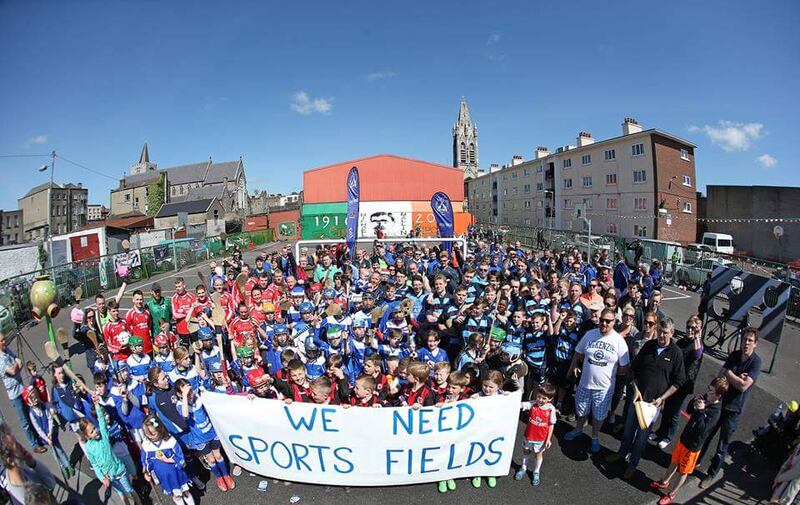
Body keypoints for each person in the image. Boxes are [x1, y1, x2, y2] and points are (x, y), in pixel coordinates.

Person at [607, 318, 685, 479]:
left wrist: (662, 398)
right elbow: (633, 369)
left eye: (665, 332)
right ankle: (621, 453)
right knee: (628, 431)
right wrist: (635, 389)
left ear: (672, 333)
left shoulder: (676, 353)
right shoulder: (649, 346)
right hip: (637, 400)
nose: (661, 335)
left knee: (641, 438)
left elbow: (679, 381)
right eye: (660, 331)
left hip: (652, 406)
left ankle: (632, 464)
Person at [699, 327, 762, 488]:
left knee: (722, 445)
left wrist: (730, 374)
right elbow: (721, 374)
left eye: (750, 341)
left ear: (755, 344)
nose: (746, 343)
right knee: (707, 434)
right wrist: (736, 377)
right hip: (721, 403)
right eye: (744, 339)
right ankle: (695, 462)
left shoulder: (756, 363)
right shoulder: (734, 355)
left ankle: (711, 474)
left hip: (734, 410)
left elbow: (743, 386)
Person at [650, 377, 729, 505]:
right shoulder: (705, 398)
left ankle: (672, 494)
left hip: (693, 446)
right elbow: (689, 410)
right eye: (709, 389)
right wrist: (693, 402)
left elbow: (703, 429)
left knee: (683, 471)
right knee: (674, 461)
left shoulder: (716, 412)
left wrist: (701, 411)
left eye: (711, 392)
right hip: (684, 438)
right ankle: (664, 482)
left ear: (719, 396)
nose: (707, 393)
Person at [564, 308, 630, 454]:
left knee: (598, 416)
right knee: (581, 411)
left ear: (614, 322)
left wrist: (611, 376)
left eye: (608, 321)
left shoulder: (619, 341)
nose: (604, 323)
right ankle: (578, 429)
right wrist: (575, 365)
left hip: (604, 388)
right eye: (602, 320)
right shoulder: (590, 334)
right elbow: (579, 352)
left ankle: (594, 437)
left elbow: (624, 366)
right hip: (585, 383)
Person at [78, 396, 141, 505]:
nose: (95, 431)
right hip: (110, 477)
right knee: (121, 494)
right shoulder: (89, 447)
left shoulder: (104, 436)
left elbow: (101, 421)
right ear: (87, 436)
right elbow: (95, 464)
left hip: (119, 471)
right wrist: (102, 478)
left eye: (94, 428)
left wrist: (96, 404)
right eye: (91, 432)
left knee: (129, 490)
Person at [0, 333, 44, 452]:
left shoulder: (8, 351)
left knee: (32, 414)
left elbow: (19, 362)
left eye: (4, 339)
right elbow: (13, 370)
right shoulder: (1, 359)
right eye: (2, 341)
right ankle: (34, 445)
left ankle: (40, 437)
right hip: (14, 394)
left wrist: (16, 366)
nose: (4, 342)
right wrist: (16, 366)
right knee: (25, 420)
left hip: (21, 388)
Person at [140, 414, 195, 505]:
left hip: (177, 473)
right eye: (147, 435)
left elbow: (180, 458)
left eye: (153, 434)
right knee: (176, 495)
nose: (150, 437)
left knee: (185, 492)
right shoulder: (146, 445)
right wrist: (146, 472)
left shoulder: (170, 440)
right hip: (164, 477)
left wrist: (166, 460)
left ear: (160, 430)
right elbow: (145, 460)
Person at [515, 382, 557, 486]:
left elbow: (551, 425)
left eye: (544, 398)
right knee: (526, 451)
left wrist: (548, 439)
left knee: (538, 454)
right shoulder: (532, 404)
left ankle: (536, 472)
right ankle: (523, 468)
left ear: (550, 399)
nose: (540, 400)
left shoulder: (551, 409)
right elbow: (521, 404)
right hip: (528, 436)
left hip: (540, 439)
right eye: (539, 396)